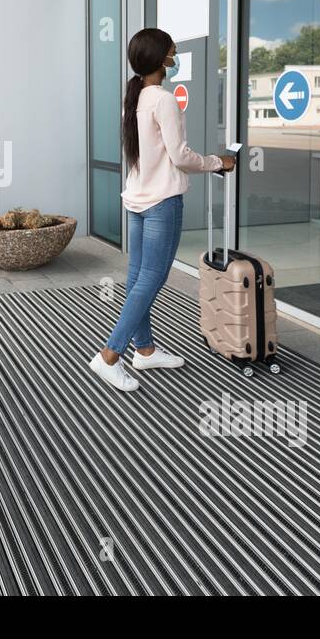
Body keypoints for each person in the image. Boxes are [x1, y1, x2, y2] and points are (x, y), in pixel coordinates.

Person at [89, 28, 235, 392]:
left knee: (138, 279)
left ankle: (145, 350)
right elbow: (181, 157)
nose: (174, 53)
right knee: (151, 280)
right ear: (161, 58)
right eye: (171, 49)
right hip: (161, 203)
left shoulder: (134, 97)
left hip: (137, 200)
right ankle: (109, 355)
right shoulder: (163, 100)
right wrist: (220, 161)